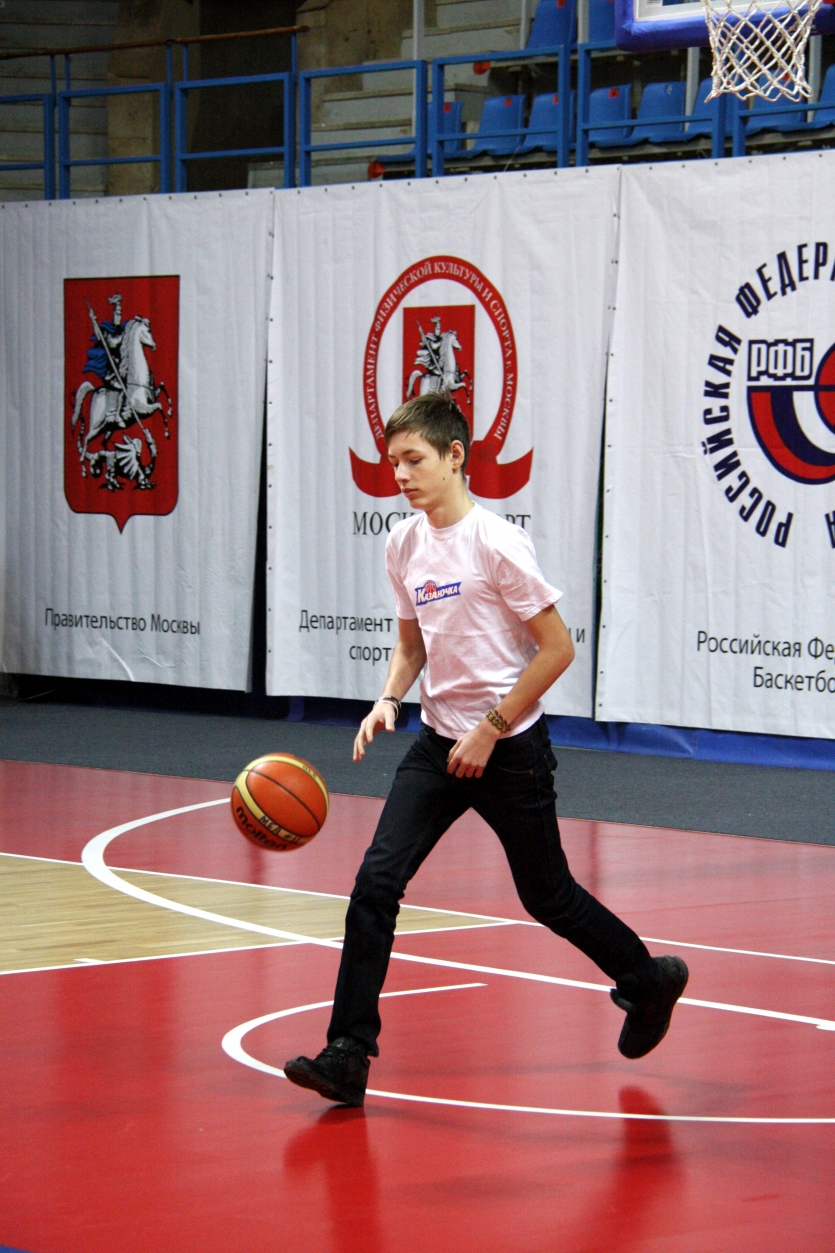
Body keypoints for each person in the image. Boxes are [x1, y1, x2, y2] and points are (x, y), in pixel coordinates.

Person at [284, 393, 688, 1108]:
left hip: (509, 749)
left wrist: (491, 725)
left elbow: (557, 649)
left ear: (454, 457)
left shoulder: (497, 544)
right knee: (375, 883)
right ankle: (347, 1053)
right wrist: (388, 699)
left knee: (547, 895)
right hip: (437, 742)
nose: (400, 475)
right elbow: (412, 644)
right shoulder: (402, 543)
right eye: (393, 462)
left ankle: (648, 979)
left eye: (413, 460)